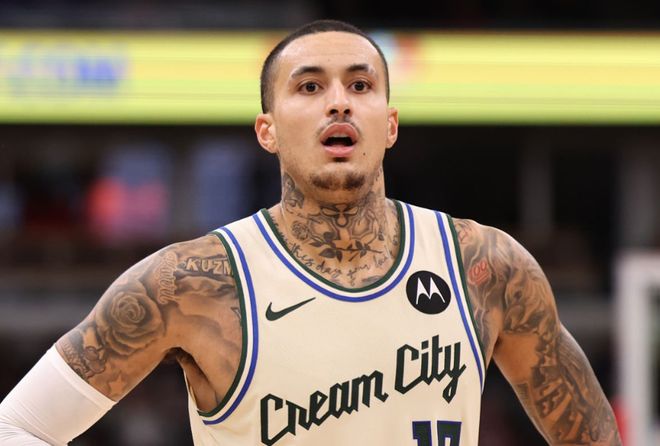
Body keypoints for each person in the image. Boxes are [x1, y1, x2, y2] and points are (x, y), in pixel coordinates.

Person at [0, 20, 622, 446]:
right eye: (309, 86)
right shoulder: (190, 282)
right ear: (267, 131)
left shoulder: (485, 266)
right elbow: (18, 428)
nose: (339, 102)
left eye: (360, 85)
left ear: (390, 124)